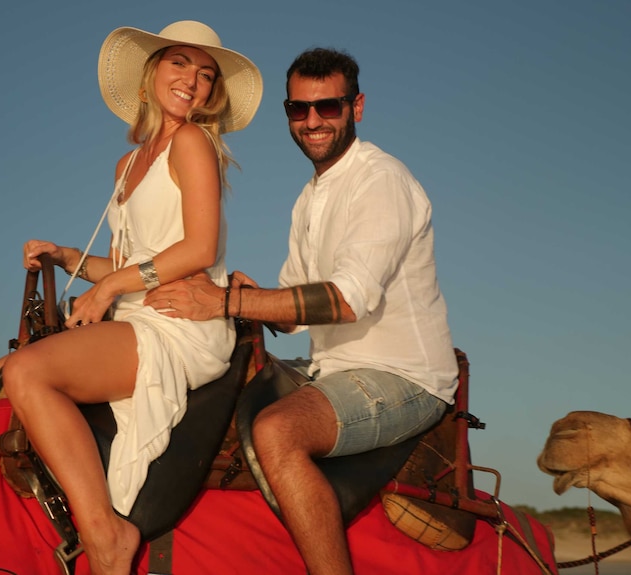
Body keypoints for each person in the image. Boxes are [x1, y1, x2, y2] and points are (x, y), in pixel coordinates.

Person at [144, 47, 458, 575]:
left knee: (276, 433)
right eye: (298, 109)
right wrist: (243, 293)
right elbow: (293, 311)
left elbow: (344, 299)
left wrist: (226, 301)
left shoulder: (380, 180)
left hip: (404, 378)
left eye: (328, 107)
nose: (312, 121)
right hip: (330, 371)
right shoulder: (310, 196)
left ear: (356, 107)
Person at [0, 21, 262, 575]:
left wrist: (108, 286)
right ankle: (48, 524)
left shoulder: (192, 141)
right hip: (138, 312)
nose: (192, 81)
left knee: (28, 373)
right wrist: (66, 258)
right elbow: (131, 266)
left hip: (181, 322)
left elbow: (198, 247)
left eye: (205, 74)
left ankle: (106, 537)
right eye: (179, 64)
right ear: (152, 72)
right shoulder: (126, 166)